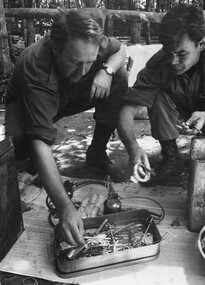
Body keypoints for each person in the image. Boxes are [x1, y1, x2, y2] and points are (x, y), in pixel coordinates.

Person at [5, 10, 128, 245]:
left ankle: (97, 154)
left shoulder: (91, 41)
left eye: (89, 62)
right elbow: (40, 140)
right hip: (28, 100)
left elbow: (120, 50)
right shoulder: (37, 66)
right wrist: (65, 208)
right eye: (75, 62)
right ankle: (28, 166)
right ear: (55, 48)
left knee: (119, 75)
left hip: (71, 93)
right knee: (22, 139)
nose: (84, 71)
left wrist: (106, 71)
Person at [118, 4, 205, 184]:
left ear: (202, 43)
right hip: (181, 113)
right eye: (169, 52)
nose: (173, 61)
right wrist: (132, 147)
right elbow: (126, 111)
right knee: (157, 95)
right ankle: (171, 157)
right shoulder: (159, 63)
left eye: (182, 54)